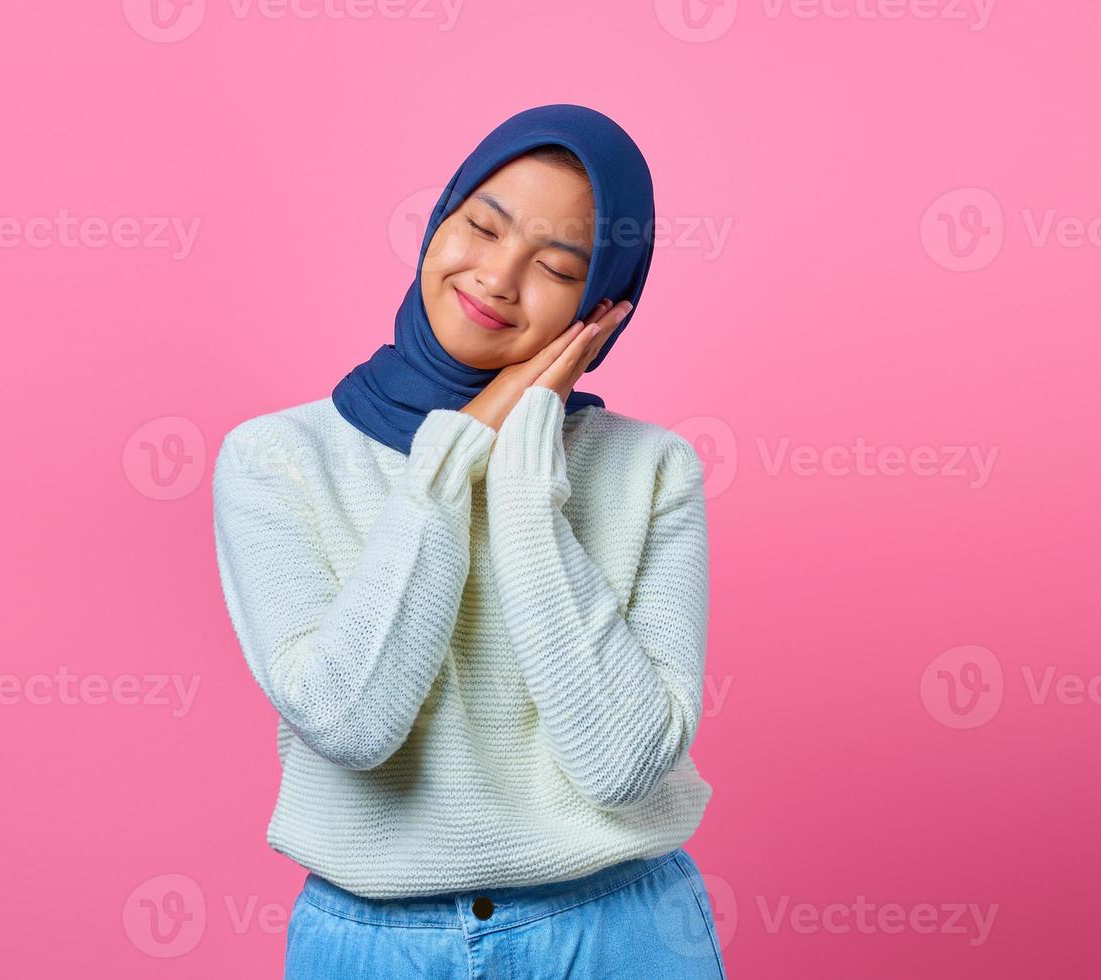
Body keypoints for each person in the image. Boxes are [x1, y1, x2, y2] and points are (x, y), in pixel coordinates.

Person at [212, 103, 726, 978]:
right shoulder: (277, 459)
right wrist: (456, 457)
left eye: (555, 267)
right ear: (438, 222)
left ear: (601, 308)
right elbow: (350, 721)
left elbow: (623, 765)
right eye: (480, 227)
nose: (496, 277)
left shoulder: (651, 471)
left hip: (619, 933)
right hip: (371, 946)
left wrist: (525, 486)